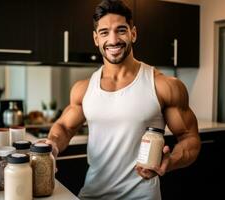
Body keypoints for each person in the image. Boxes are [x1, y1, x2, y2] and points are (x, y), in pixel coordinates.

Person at [45, 0, 201, 199]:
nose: (113, 39)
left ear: (133, 33)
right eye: (104, 32)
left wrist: (170, 161)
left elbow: (190, 138)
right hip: (93, 194)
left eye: (121, 30)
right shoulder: (83, 89)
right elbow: (65, 128)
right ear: (96, 38)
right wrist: (52, 145)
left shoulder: (164, 86)